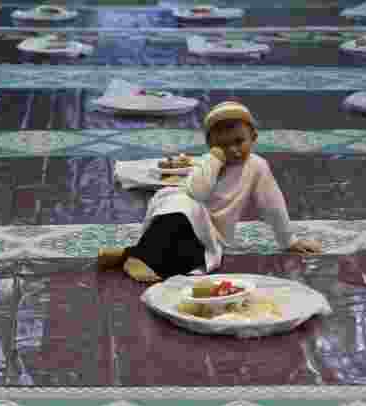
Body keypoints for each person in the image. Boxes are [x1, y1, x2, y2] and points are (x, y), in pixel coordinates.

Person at [99, 101, 322, 283]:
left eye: (239, 141)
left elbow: (272, 205)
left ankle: (128, 255)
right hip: (185, 213)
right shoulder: (209, 161)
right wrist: (214, 161)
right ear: (210, 144)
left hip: (211, 232)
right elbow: (196, 192)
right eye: (223, 145)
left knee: (192, 260)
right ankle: (138, 258)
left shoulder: (257, 166)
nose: (233, 150)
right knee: (181, 208)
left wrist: (289, 240)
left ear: (253, 137)